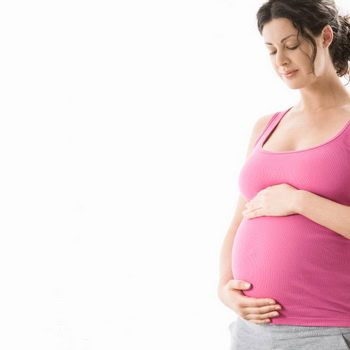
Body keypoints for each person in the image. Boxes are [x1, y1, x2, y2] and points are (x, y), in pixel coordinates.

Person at [217, 0, 350, 349]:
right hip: (250, 331)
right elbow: (239, 220)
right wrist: (225, 289)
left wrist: (300, 200)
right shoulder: (266, 126)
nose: (281, 60)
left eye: (291, 46)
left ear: (324, 37)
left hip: (325, 331)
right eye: (272, 49)